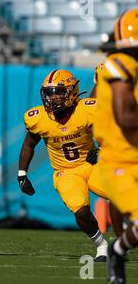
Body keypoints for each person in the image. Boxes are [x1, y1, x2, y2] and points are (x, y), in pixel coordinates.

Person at [18, 69, 109, 262]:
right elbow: (28, 145)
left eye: (58, 92)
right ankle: (102, 246)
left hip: (91, 165)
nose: (53, 98)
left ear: (72, 92)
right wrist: (22, 174)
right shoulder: (38, 117)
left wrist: (102, 148)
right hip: (66, 172)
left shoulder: (86, 109)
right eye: (49, 93)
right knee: (81, 210)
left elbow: (108, 131)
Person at [94, 8, 138, 284]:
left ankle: (118, 250)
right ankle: (117, 250)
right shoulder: (118, 64)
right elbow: (125, 116)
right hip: (119, 160)